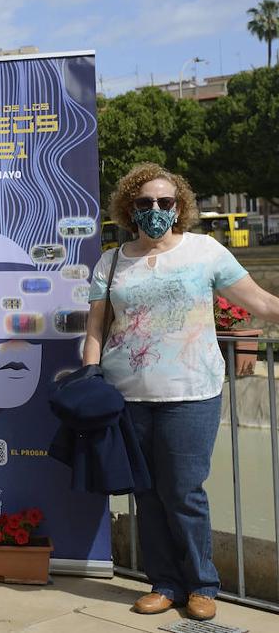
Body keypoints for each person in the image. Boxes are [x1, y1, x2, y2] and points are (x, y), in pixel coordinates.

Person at [83, 163, 279, 621]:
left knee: (184, 490)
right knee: (146, 493)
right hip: (126, 395)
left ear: (179, 207)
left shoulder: (204, 251)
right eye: (145, 203)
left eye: (164, 203)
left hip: (192, 392)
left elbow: (262, 302)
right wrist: (90, 378)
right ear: (129, 207)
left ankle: (202, 584)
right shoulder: (111, 261)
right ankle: (164, 583)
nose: (155, 210)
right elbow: (96, 327)